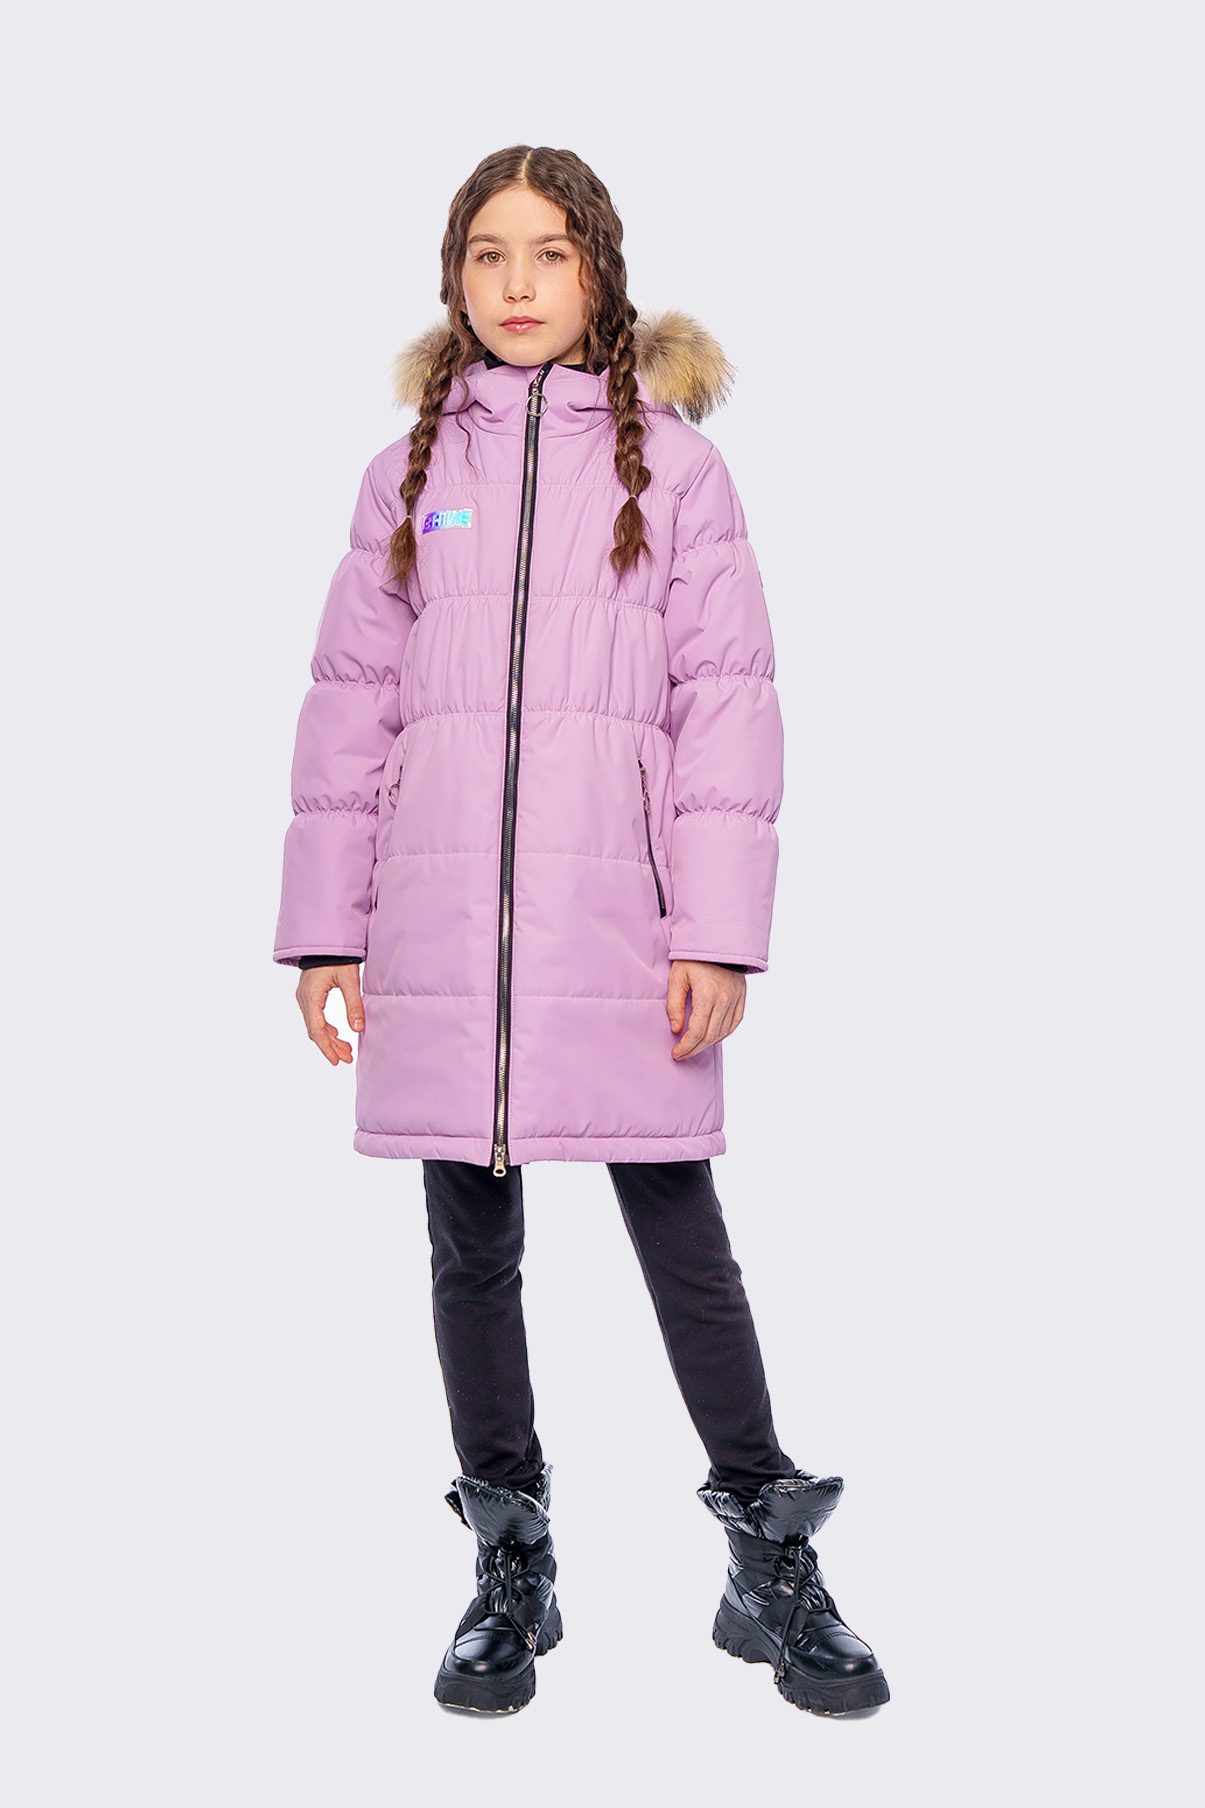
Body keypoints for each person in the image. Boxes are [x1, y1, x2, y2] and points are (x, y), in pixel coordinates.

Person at [273, 144, 888, 1719]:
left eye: (549, 253)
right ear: (452, 278)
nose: (518, 284)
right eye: (488, 255)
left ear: (600, 271)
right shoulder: (408, 473)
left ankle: (766, 1550)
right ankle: (511, 1558)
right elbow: (349, 709)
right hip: (439, 931)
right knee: (467, 1246)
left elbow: (726, 708)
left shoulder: (674, 471)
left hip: (618, 920)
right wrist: (328, 933)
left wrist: (717, 935)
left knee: (679, 1227)